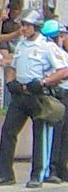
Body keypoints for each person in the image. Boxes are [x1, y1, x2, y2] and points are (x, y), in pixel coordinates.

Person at [0, 10, 68, 188]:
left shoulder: (47, 46)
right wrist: (10, 82)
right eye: (22, 25)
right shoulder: (21, 45)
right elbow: (13, 67)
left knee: (41, 135)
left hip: (39, 95)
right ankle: (4, 174)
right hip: (20, 94)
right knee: (8, 132)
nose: (23, 28)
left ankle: (38, 174)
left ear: (36, 27)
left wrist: (44, 81)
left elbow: (63, 70)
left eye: (27, 25)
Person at [41, 20, 68, 182]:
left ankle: (61, 167)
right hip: (57, 93)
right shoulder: (50, 49)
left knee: (65, 133)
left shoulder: (60, 51)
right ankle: (52, 168)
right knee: (56, 132)